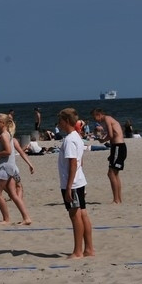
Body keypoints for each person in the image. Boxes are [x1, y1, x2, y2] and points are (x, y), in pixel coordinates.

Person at [57, 108, 94, 259]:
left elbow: (73, 163)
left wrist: (68, 187)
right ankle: (89, 249)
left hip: (72, 183)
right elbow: (80, 161)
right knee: (83, 214)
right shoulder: (77, 137)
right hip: (79, 180)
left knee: (75, 216)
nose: (58, 124)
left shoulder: (70, 139)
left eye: (60, 121)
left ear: (66, 121)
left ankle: (78, 251)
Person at [0, 113, 32, 225]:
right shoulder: (5, 134)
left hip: (5, 168)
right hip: (10, 167)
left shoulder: (4, 135)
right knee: (13, 194)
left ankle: (6, 219)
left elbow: (8, 151)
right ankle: (26, 218)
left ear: (3, 123)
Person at [91, 108, 126, 204]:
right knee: (115, 174)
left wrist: (102, 140)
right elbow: (114, 133)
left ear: (99, 114)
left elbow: (111, 135)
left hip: (118, 147)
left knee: (111, 173)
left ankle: (116, 200)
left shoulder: (107, 119)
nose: (96, 120)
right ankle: (118, 199)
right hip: (118, 147)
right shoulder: (109, 119)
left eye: (95, 118)